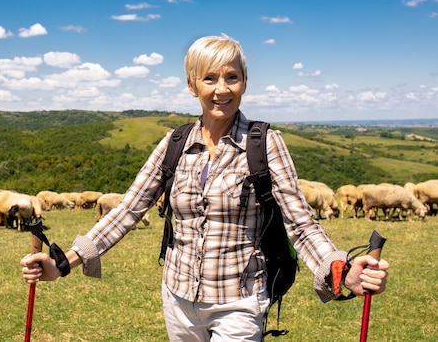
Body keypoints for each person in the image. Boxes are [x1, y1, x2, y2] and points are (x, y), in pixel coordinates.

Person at [21, 35, 389, 341]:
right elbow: (127, 211)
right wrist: (63, 263)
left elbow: (301, 223)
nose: (222, 89)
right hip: (179, 301)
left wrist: (340, 267)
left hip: (241, 302)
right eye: (209, 78)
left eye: (232, 77)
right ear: (191, 84)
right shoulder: (174, 144)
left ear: (245, 81)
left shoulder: (265, 143)